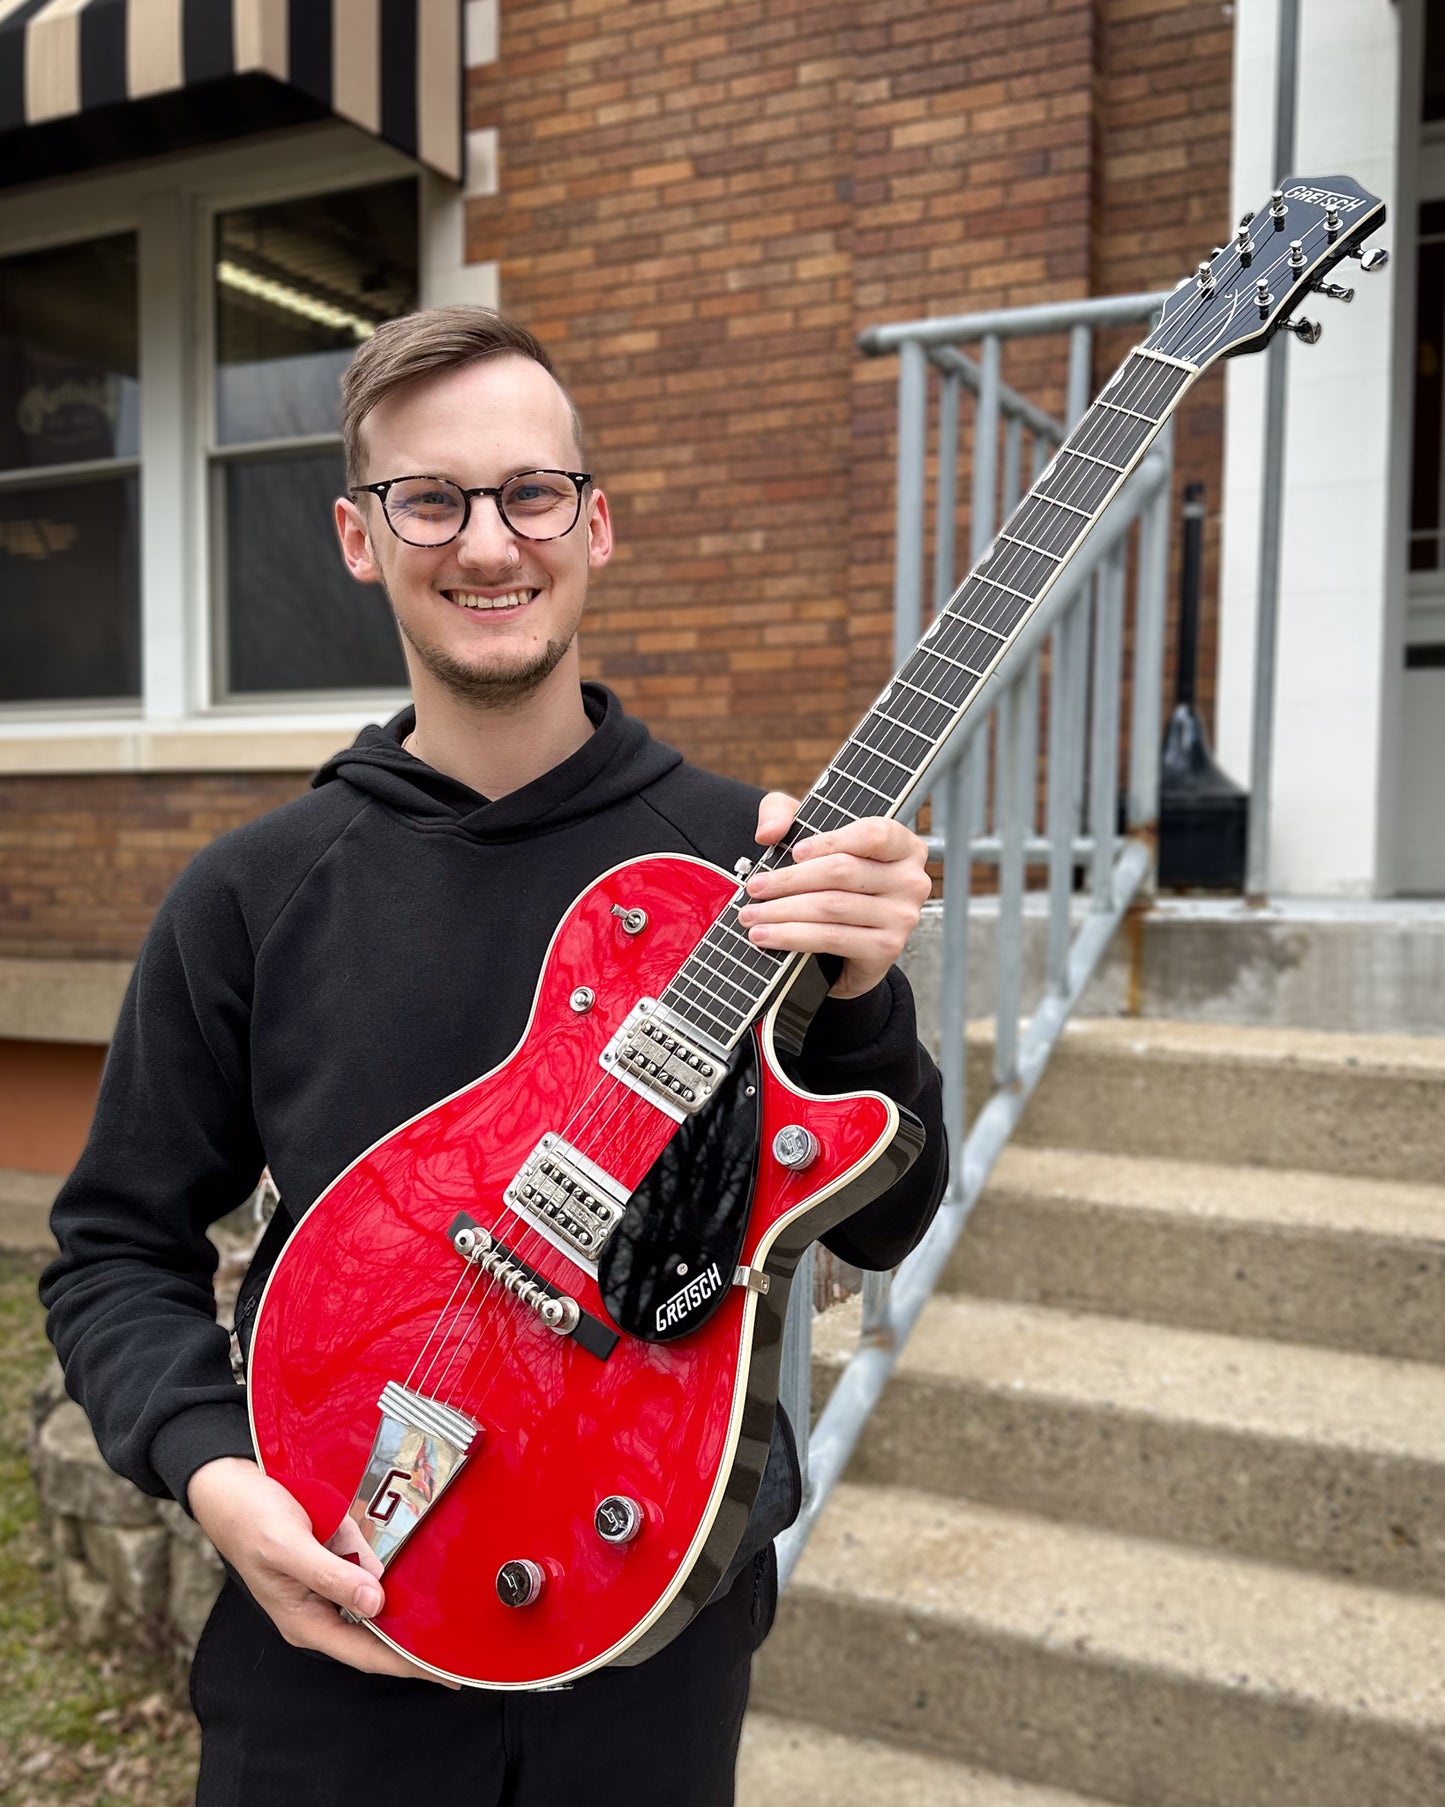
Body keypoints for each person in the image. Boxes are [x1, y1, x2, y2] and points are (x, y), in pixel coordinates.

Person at [40, 306, 946, 1807]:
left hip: (648, 1623)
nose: (486, 544)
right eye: (429, 500)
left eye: (529, 493)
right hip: (332, 1617)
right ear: (355, 534)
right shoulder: (255, 893)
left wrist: (856, 996)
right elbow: (110, 1251)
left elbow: (890, 1214)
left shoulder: (743, 866)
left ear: (594, 524)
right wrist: (214, 1472)